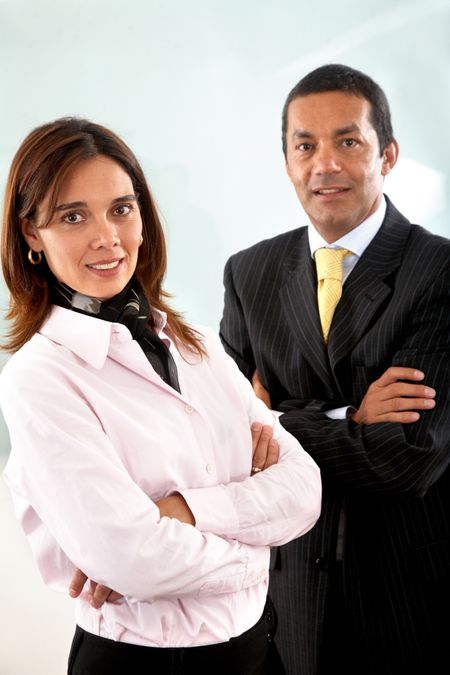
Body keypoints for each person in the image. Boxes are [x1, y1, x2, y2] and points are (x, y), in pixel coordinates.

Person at [0, 117, 322, 675]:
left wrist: (182, 511)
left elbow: (303, 489)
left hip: (255, 649)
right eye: (72, 216)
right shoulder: (39, 377)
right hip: (143, 664)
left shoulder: (192, 345)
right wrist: (258, 544)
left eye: (121, 209)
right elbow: (132, 557)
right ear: (31, 234)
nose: (107, 237)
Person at [219, 63, 450, 675]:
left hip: (410, 601)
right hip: (285, 602)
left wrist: (271, 420)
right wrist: (350, 416)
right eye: (305, 145)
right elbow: (217, 437)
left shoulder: (440, 272)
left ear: (389, 154)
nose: (326, 163)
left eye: (349, 141)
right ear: (288, 161)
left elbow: (409, 458)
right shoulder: (250, 274)